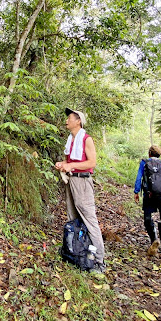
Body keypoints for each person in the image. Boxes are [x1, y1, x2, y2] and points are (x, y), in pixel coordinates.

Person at [55, 108, 106, 272]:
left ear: (78, 121)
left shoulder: (86, 139)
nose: (66, 120)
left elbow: (92, 163)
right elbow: (69, 159)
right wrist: (63, 165)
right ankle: (76, 251)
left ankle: (99, 260)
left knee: (89, 219)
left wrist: (71, 165)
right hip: (71, 180)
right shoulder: (70, 139)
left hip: (83, 182)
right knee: (73, 217)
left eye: (69, 118)